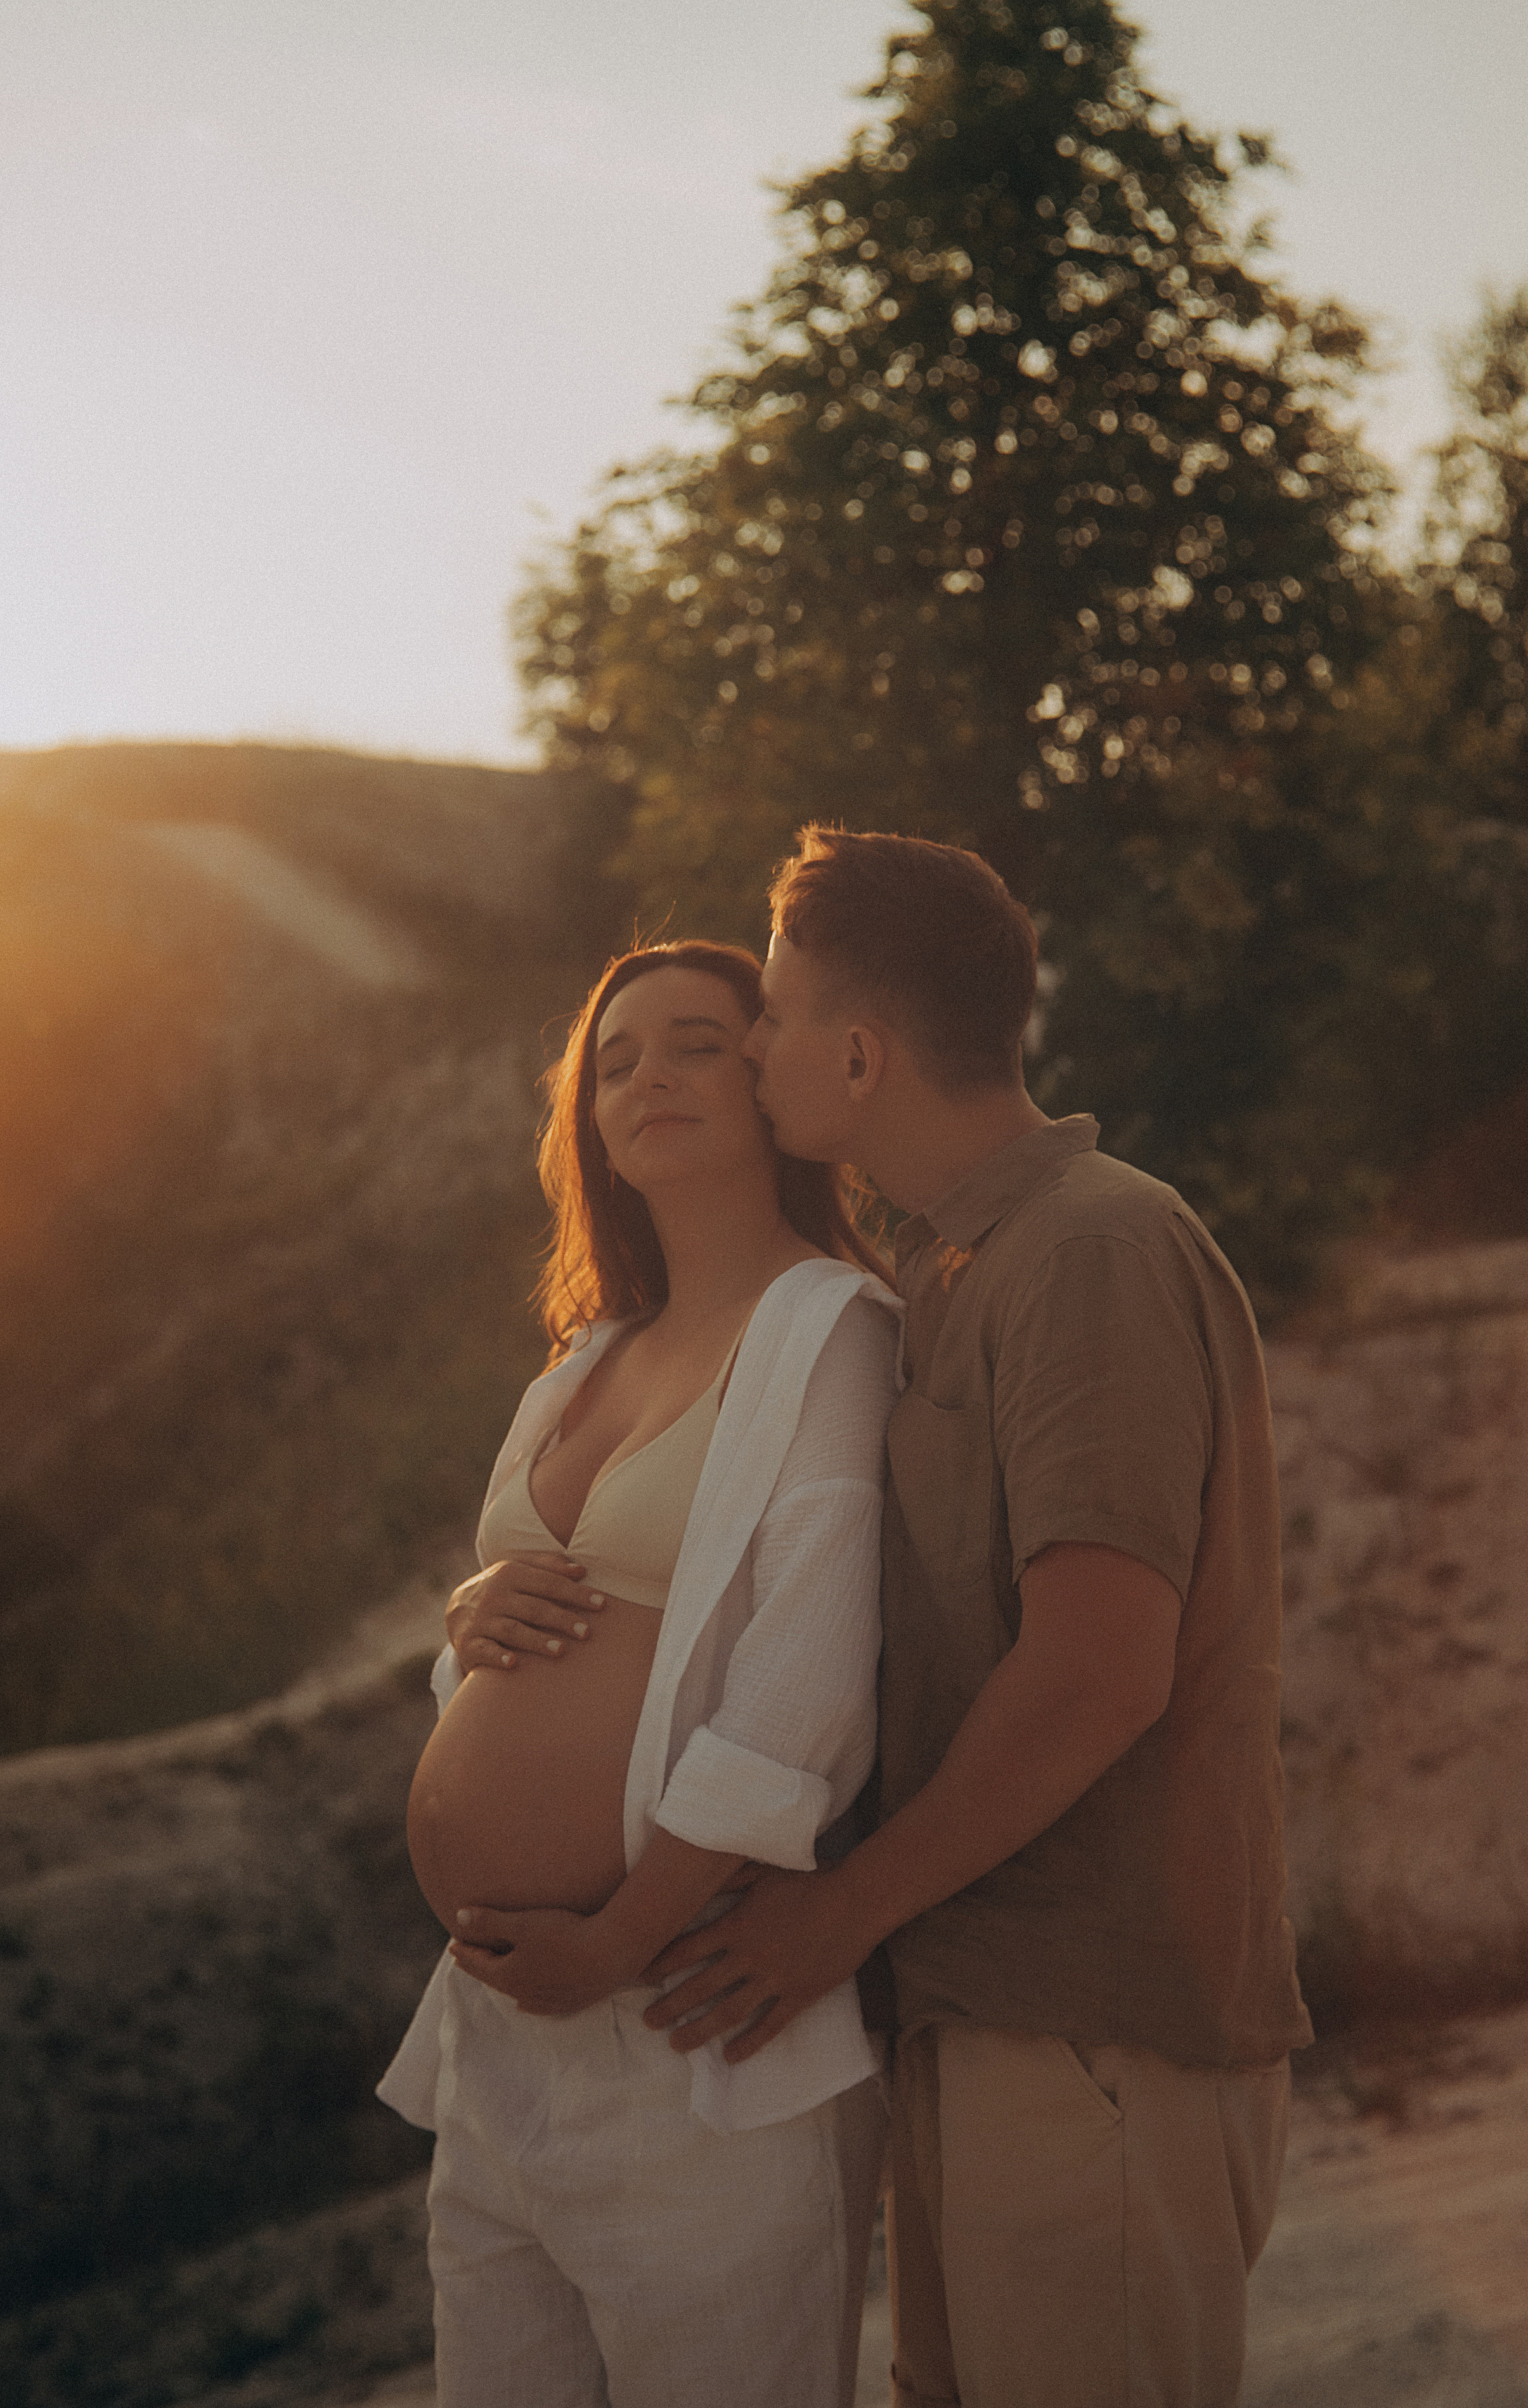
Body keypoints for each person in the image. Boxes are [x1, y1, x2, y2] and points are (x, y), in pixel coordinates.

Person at [629, 827, 1315, 2408]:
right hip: (980, 2013)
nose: (750, 1047)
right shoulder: (949, 1270)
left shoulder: (1090, 1247)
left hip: (1093, 2033)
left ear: (859, 1053)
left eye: (776, 1016)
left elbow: (1095, 1670)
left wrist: (835, 1913)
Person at [377, 937, 902, 2408]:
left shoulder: (831, 1332)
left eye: (692, 1043)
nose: (648, 1076)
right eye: (615, 1060)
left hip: (690, 2022)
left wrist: (617, 1944)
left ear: (768, 1074)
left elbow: (804, 1690)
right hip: (497, 2045)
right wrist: (468, 1616)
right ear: (586, 1122)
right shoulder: (582, 1360)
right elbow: (514, 1659)